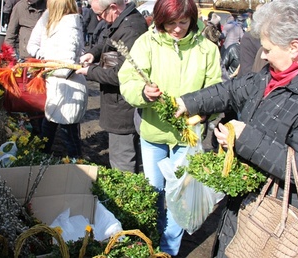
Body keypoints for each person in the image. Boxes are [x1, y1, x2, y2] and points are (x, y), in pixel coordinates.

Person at [173, 1, 298, 257]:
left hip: (285, 221)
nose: (263, 55)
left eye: (269, 49)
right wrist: (189, 102)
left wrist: (244, 136)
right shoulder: (274, 75)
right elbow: (232, 90)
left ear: (295, 47)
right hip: (255, 206)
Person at [118, 0, 222, 255]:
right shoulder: (146, 44)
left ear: (192, 18)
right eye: (170, 23)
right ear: (160, 20)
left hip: (188, 137)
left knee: (179, 198)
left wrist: (200, 112)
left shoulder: (207, 49)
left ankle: (168, 249)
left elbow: (217, 90)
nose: (177, 29)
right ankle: (151, 239)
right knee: (153, 191)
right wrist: (143, 91)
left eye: (183, 22)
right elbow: (128, 79)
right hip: (153, 133)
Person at [75, 0, 148, 173]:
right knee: (121, 156)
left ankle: (125, 197)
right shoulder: (121, 21)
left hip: (123, 106)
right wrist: (93, 53)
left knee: (123, 161)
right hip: (116, 102)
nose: (99, 19)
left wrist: (90, 72)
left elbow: (119, 74)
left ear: (113, 8)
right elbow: (109, 41)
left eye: (100, 14)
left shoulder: (131, 29)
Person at [26, 0, 88, 158]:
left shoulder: (71, 23)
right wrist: (43, 57)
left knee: (69, 135)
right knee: (50, 130)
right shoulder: (47, 17)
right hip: (54, 85)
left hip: (68, 87)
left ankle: (76, 170)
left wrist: (48, 63)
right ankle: (39, 162)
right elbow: (32, 44)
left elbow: (67, 65)